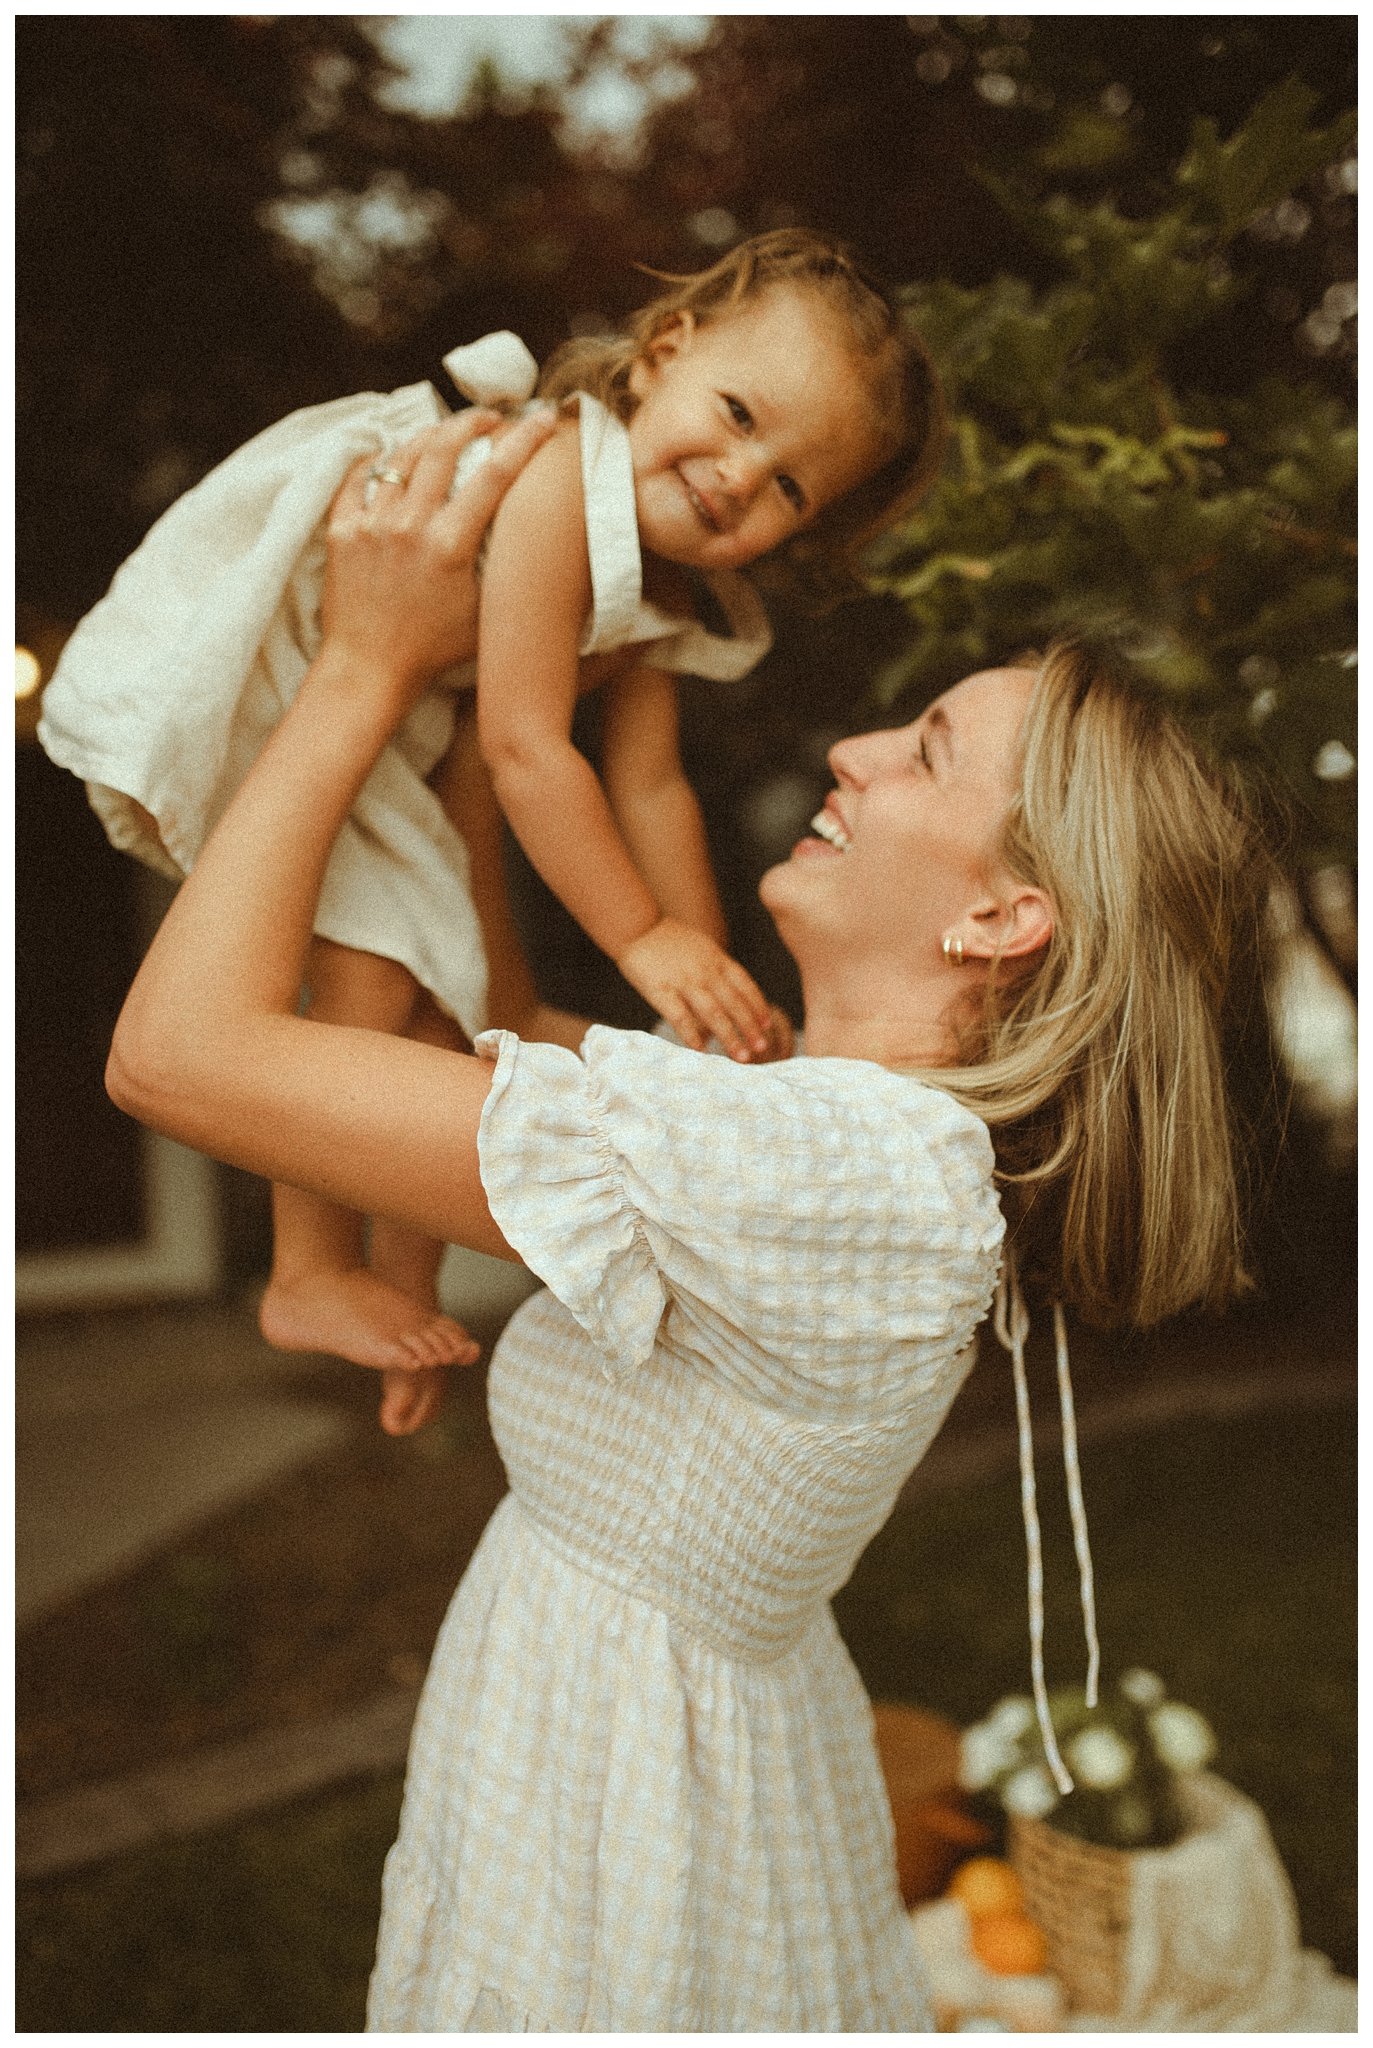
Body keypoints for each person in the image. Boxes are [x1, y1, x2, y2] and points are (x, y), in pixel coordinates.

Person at [105, 406, 1267, 2031]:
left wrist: (354, 672)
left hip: (613, 1800)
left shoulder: (817, 1173)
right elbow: (490, 1002)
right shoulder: (808, 1127)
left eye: (923, 749)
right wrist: (496, 699)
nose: (855, 751)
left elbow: (178, 1056)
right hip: (652, 1739)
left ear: (1005, 914)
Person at [40, 228, 942, 1398]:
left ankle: (400, 1292)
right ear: (661, 353)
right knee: (367, 983)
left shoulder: (663, 585)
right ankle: (307, 1268)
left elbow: (647, 781)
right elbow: (524, 746)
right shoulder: (566, 478)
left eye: (786, 484)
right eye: (734, 413)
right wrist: (639, 938)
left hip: (395, 729)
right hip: (298, 668)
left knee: (442, 994)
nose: (737, 472)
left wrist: (701, 974)